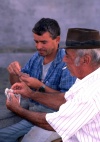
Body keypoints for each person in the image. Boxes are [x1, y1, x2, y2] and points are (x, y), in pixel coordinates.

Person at [5, 28, 100, 142]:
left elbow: (51, 123)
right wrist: (30, 94)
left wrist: (17, 109)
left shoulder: (90, 93)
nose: (64, 59)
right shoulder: (88, 77)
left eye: (68, 56)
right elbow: (65, 99)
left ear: (85, 60)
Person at [0, 18, 76, 142]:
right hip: (30, 108)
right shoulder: (36, 57)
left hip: (48, 117)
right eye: (36, 42)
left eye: (43, 42)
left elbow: (67, 100)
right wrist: (13, 73)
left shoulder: (66, 61)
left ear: (57, 40)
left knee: (3, 135)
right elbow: (17, 85)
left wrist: (40, 86)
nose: (38, 46)